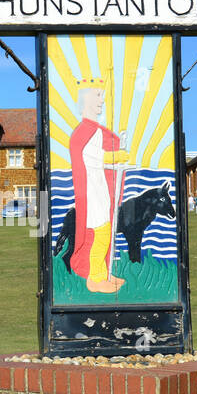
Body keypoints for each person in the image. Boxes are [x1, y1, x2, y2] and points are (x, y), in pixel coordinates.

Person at [67, 77, 129, 293]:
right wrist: (115, 155)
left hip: (99, 189)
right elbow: (91, 157)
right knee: (99, 235)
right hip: (91, 193)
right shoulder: (83, 132)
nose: (101, 100)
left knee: (104, 233)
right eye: (97, 95)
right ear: (85, 99)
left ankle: (104, 275)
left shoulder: (93, 130)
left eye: (102, 95)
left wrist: (114, 158)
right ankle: (95, 279)